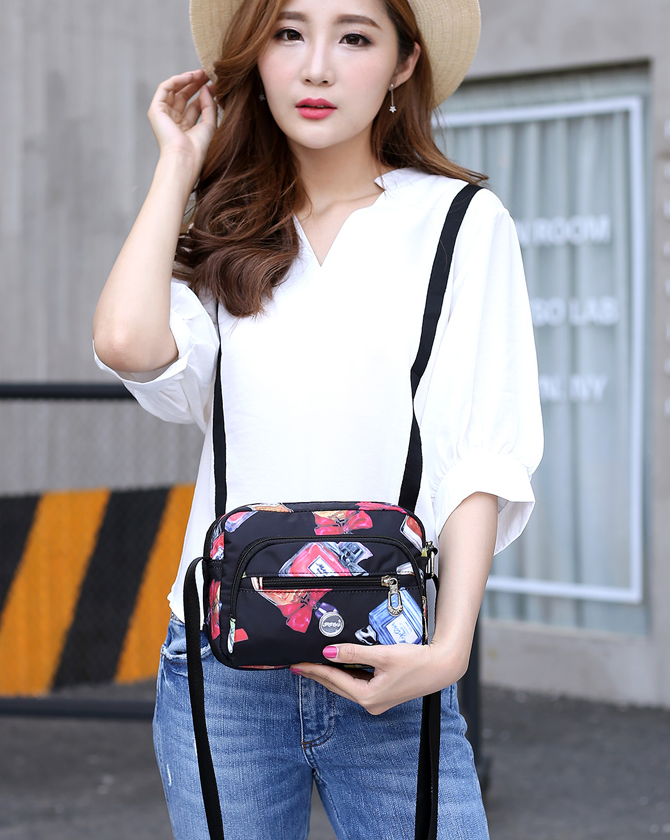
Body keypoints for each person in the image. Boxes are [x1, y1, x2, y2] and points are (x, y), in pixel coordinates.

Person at [93, 0, 543, 835]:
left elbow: (480, 450)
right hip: (223, 658)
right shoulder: (225, 225)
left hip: (392, 649)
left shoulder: (459, 222)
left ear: (404, 63)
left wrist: (448, 650)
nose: (317, 67)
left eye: (355, 37)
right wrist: (179, 164)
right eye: (289, 33)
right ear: (258, 56)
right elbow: (127, 343)